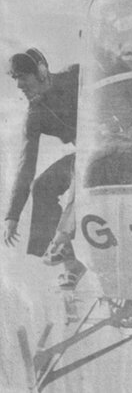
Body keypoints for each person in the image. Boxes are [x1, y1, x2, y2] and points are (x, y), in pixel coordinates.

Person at [3, 48, 86, 289]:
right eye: (16, 80)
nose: (20, 86)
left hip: (121, 143)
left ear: (42, 72)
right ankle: (70, 262)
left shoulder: (76, 75)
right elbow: (25, 165)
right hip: (86, 155)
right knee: (42, 186)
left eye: (24, 79)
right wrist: (12, 215)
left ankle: (62, 240)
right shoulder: (35, 114)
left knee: (80, 176)